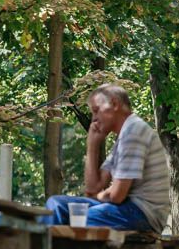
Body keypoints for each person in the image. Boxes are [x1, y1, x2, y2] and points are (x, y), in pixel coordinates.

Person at [43, 84, 170, 232]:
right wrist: (92, 145)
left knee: (76, 219)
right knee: (56, 204)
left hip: (143, 213)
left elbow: (117, 195)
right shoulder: (122, 138)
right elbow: (92, 188)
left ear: (115, 104)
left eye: (96, 110)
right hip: (125, 208)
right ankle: (47, 246)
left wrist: (98, 195)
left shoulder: (134, 132)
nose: (94, 119)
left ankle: (48, 247)